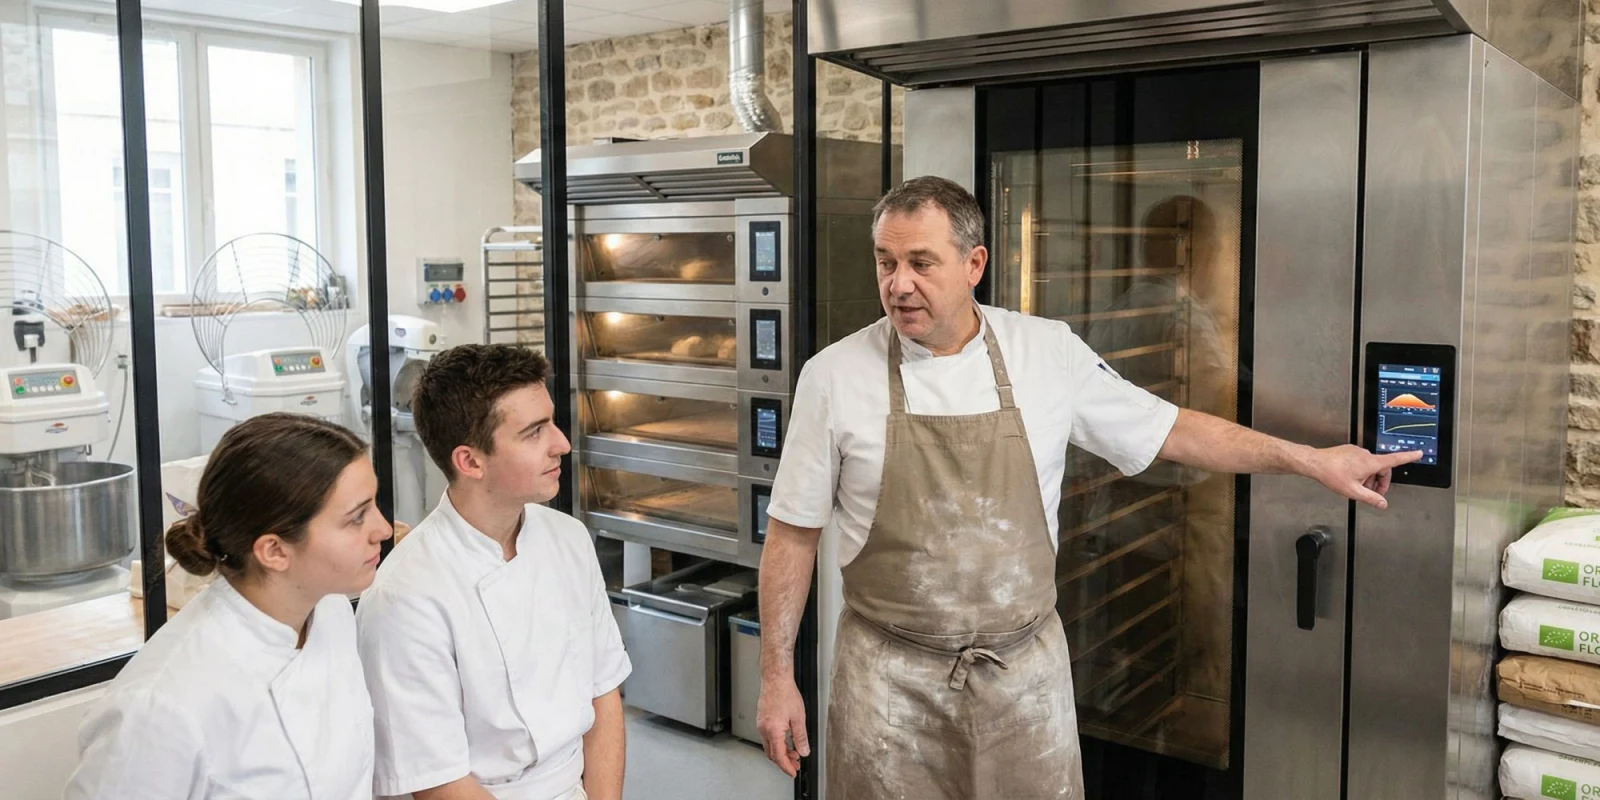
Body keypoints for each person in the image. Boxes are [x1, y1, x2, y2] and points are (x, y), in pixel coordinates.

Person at [754, 176, 1419, 798]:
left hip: (1023, 681)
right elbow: (792, 532)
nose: (898, 284)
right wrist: (776, 675)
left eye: (921, 263)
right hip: (889, 683)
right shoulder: (833, 376)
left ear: (974, 264)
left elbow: (1172, 431)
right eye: (885, 262)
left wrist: (1309, 460)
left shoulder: (1047, 353)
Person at [64, 413, 392, 800]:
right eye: (357, 518)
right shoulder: (159, 708)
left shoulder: (329, 612)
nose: (384, 529)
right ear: (274, 551)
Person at [355, 343, 629, 800]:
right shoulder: (405, 595)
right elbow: (438, 780)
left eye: (552, 422)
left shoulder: (569, 539)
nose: (561, 443)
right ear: (470, 461)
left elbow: (605, 694)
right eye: (534, 432)